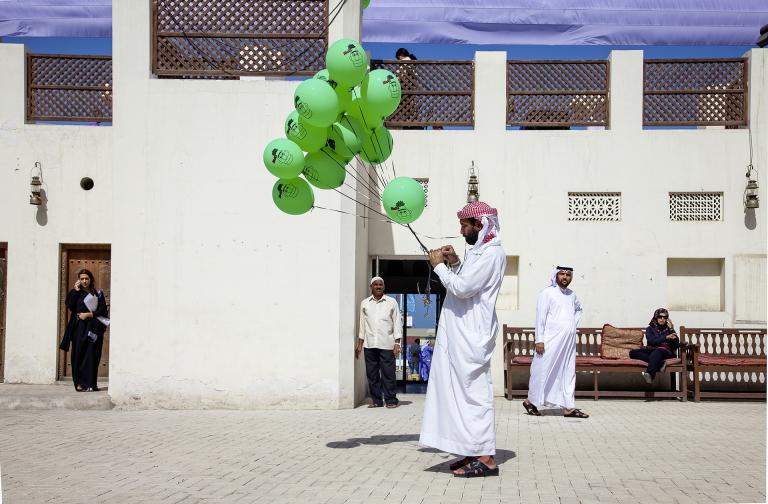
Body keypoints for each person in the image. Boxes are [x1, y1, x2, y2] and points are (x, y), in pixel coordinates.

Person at [420, 201, 506, 478]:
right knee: (457, 393)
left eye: (465, 225)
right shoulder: (479, 252)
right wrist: (455, 262)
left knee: (474, 395)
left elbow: (464, 288)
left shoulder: (492, 254)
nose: (461, 230)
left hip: (472, 335)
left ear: (479, 225)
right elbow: (465, 280)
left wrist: (439, 267)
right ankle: (471, 450)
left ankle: (486, 458)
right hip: (460, 333)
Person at [523, 266, 589, 419]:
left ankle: (569, 407)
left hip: (568, 342)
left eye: (568, 275)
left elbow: (579, 309)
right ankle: (531, 401)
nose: (565, 277)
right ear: (556, 275)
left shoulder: (572, 295)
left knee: (568, 372)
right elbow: (540, 318)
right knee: (541, 369)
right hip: (549, 340)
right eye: (562, 274)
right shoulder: (547, 293)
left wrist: (572, 324)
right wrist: (539, 340)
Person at [355, 277, 402, 408]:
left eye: (380, 284)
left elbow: (397, 323)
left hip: (387, 344)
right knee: (372, 374)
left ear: (384, 287)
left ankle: (391, 400)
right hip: (369, 345)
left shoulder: (391, 302)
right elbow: (362, 325)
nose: (378, 286)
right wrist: (360, 344)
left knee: (388, 374)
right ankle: (376, 400)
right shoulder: (364, 303)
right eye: (375, 284)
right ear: (371, 287)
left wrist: (397, 344)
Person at [59, 268, 109, 392]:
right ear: (79, 280)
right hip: (79, 328)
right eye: (82, 279)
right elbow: (70, 306)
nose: (84, 281)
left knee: (92, 355)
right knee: (79, 354)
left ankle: (91, 384)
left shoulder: (98, 293)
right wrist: (75, 291)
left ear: (91, 279)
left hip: (93, 328)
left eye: (86, 278)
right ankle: (79, 384)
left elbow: (103, 311)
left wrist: (89, 314)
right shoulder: (76, 292)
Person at [630, 308, 679, 383]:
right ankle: (660, 363)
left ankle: (650, 374)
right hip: (652, 349)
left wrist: (672, 329)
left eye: (665, 317)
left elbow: (676, 344)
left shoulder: (669, 329)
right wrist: (665, 337)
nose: (662, 319)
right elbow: (652, 341)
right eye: (660, 317)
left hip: (665, 351)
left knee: (657, 351)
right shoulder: (650, 329)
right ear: (656, 317)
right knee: (632, 353)